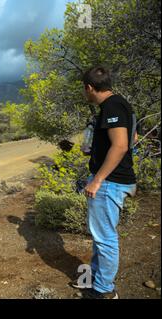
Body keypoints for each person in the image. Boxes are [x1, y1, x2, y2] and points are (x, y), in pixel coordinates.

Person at [75, 67, 137, 299]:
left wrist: (97, 180)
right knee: (100, 235)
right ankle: (94, 280)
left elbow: (120, 145)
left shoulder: (111, 106)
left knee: (105, 238)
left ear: (89, 87)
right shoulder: (122, 104)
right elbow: (133, 138)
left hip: (109, 183)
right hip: (113, 180)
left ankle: (104, 290)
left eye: (84, 89)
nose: (85, 94)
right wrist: (95, 150)